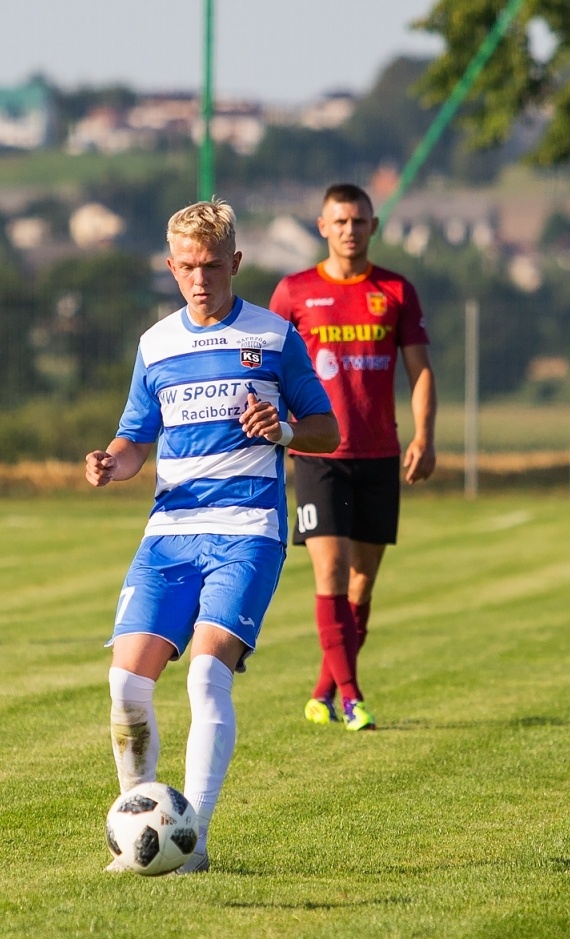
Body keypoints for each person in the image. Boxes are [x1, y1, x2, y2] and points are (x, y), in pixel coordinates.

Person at [86, 200, 339, 873]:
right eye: (187, 268)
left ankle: (189, 842)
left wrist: (283, 430)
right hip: (169, 532)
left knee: (205, 674)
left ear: (235, 263)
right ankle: (146, 831)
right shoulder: (155, 345)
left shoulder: (275, 336)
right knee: (125, 687)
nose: (200, 279)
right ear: (171, 268)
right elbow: (137, 438)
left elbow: (327, 428)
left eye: (212, 267)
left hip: (248, 528)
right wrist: (113, 462)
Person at [269, 183, 436, 732]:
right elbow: (267, 370)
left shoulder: (395, 290)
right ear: (322, 226)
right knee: (331, 570)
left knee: (361, 584)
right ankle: (353, 697)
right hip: (318, 452)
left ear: (373, 227)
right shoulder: (293, 293)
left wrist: (424, 436)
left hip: (379, 454)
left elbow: (421, 371)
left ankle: (323, 691)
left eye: (359, 221)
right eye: (339, 221)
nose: (349, 230)